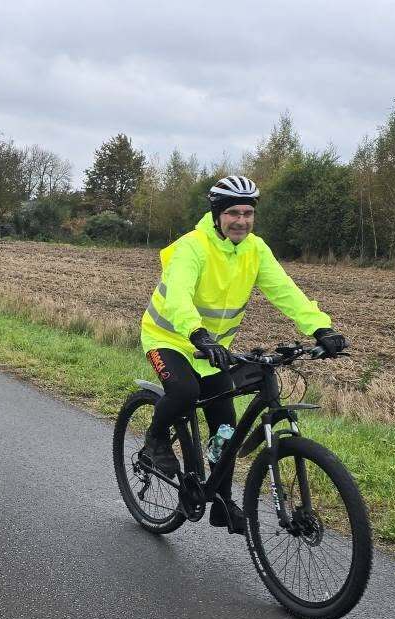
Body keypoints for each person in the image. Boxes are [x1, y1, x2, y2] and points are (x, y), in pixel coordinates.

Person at [139, 175, 347, 534]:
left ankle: (220, 500)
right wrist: (197, 333)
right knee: (185, 393)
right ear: (217, 214)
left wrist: (320, 327)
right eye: (234, 212)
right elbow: (178, 297)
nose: (242, 221)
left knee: (226, 429)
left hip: (211, 350)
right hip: (169, 338)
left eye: (248, 213)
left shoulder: (256, 249)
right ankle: (155, 439)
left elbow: (285, 291)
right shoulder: (192, 247)